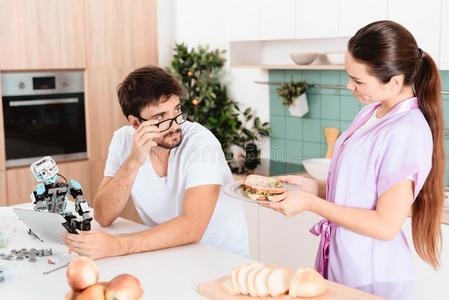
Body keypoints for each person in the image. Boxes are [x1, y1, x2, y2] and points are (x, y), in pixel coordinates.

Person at [263, 20, 444, 299]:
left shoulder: (406, 131)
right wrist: (314, 188)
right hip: (344, 264)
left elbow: (386, 225)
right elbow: (361, 190)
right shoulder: (372, 112)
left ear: (394, 82)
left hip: (372, 277)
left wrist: (313, 204)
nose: (349, 86)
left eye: (358, 80)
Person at [64, 66, 249, 258]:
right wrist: (134, 161)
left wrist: (117, 246)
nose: (175, 125)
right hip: (168, 252)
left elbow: (192, 227)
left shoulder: (202, 143)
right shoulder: (123, 141)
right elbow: (103, 215)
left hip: (222, 258)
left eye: (177, 111)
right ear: (136, 123)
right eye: (160, 117)